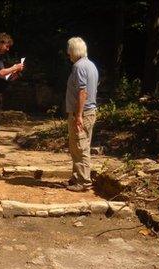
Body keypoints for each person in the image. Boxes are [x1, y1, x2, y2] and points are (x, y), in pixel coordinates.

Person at [64, 37, 99, 192]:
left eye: (69, 50)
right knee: (77, 146)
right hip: (89, 111)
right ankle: (76, 177)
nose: (67, 53)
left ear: (73, 50)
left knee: (80, 146)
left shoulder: (79, 67)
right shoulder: (90, 65)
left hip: (82, 113)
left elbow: (82, 92)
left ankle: (84, 181)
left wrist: (78, 115)